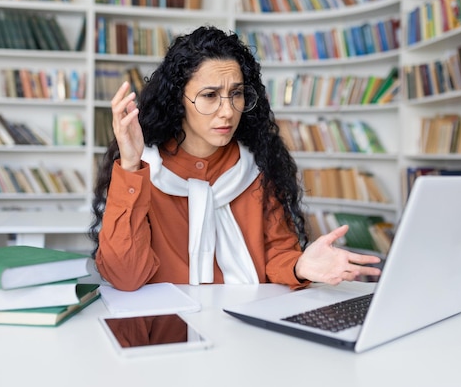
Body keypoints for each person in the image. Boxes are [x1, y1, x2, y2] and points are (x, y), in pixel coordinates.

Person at [88, 26, 381, 291]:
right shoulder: (144, 169)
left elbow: (277, 254)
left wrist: (300, 265)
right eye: (210, 96)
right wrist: (129, 166)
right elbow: (125, 276)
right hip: (167, 329)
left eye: (236, 94)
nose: (227, 111)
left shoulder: (255, 167)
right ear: (178, 100)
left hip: (246, 325)